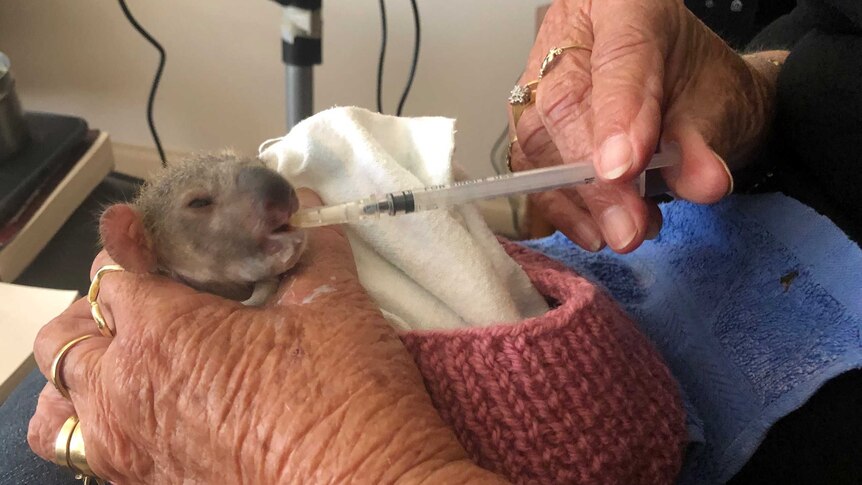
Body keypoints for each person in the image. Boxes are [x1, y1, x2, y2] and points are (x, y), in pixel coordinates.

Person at [11, 0, 862, 483]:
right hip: (718, 218)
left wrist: (353, 461)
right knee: (36, 423)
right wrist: (755, 86)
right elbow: (829, 49)